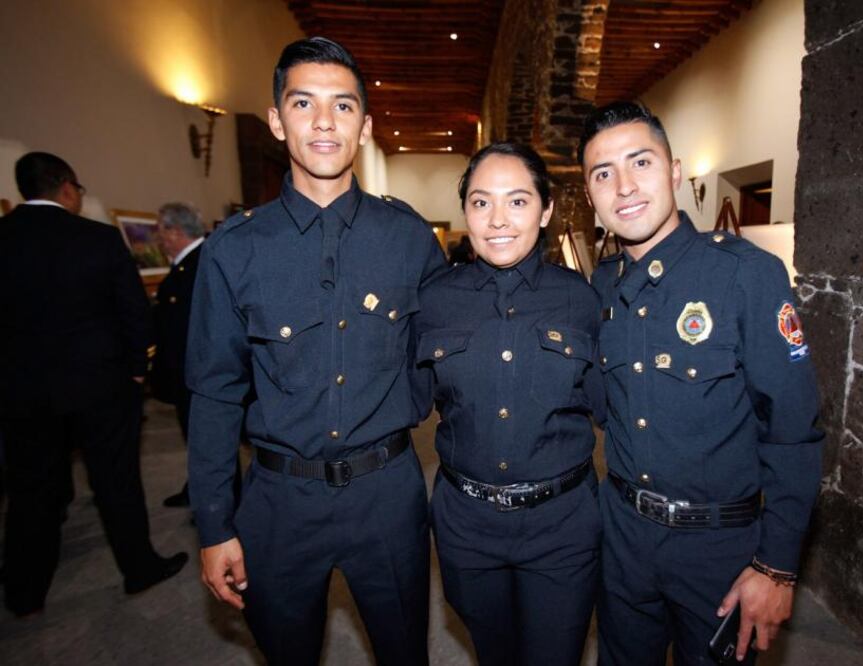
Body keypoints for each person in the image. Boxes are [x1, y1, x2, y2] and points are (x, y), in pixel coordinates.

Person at [186, 37, 446, 665]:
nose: (325, 121)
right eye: (304, 103)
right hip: (280, 502)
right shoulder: (234, 248)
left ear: (365, 126)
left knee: (405, 651)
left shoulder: (409, 238)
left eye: (343, 106)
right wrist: (215, 524)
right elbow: (215, 391)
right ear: (278, 120)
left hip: (386, 492)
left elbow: (441, 356)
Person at [578, 102, 823, 665]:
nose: (624, 186)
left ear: (675, 172)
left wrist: (777, 567)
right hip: (622, 540)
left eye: (640, 162)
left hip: (719, 550)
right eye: (603, 173)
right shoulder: (600, 286)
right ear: (591, 196)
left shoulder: (746, 275)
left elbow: (793, 432)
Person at [412, 142, 603, 666]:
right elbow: (403, 398)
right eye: (481, 202)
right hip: (466, 525)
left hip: (562, 524)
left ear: (544, 212)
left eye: (517, 202)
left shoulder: (582, 300)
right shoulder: (433, 301)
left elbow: (616, 408)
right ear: (465, 212)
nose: (498, 220)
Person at [0, 152, 188, 616]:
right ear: (66, 187)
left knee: (29, 489)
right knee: (116, 481)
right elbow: (133, 313)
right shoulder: (99, 239)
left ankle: (24, 591)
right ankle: (138, 567)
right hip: (100, 386)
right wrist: (138, 369)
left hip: (21, 390)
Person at [151, 202, 205, 508]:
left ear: (175, 231)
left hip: (195, 374)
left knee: (208, 443)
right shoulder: (188, 265)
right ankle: (197, 489)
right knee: (198, 441)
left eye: (162, 231)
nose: (159, 239)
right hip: (186, 372)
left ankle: (216, 503)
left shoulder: (199, 265)